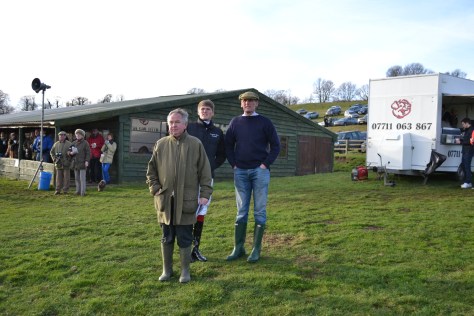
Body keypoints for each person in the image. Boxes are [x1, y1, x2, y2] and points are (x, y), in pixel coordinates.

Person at [146, 108, 212, 283]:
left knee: (184, 237)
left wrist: (205, 193)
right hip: (165, 200)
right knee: (166, 236)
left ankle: (185, 272)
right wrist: (155, 187)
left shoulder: (196, 144)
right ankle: (167, 271)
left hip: (187, 200)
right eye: (170, 123)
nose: (173, 126)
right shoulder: (160, 144)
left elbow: (205, 172)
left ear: (185, 124)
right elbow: (151, 170)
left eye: (176, 122)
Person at [225, 91, 280, 263]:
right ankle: (238, 248)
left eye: (251, 101)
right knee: (241, 211)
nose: (248, 103)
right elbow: (228, 146)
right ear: (241, 104)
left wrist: (265, 164)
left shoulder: (265, 122)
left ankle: (256, 249)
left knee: (259, 211)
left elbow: (276, 146)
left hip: (260, 171)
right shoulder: (235, 122)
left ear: (257, 104)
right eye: (245, 101)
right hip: (240, 171)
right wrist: (234, 164)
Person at [186, 99, 226, 262]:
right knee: (188, 211)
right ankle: (185, 250)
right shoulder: (189, 128)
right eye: (202, 109)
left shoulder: (218, 132)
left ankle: (196, 249)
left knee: (201, 211)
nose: (205, 111)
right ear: (198, 112)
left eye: (208, 109)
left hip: (207, 179)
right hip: (189, 178)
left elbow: (222, 154)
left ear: (213, 112)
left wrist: (210, 168)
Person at [69, 129, 91, 196]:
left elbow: (88, 153)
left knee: (82, 178)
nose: (77, 135)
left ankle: (83, 192)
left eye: (79, 134)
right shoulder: (73, 143)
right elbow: (68, 151)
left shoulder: (85, 143)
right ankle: (77, 191)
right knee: (77, 178)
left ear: (82, 135)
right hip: (75, 163)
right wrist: (71, 153)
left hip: (82, 163)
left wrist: (87, 161)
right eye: (76, 134)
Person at [456, 117, 474, 189]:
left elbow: (471, 142)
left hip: (468, 151)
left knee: (467, 166)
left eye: (463, 124)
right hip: (465, 151)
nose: (462, 126)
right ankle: (467, 182)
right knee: (464, 165)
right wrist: (461, 140)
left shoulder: (472, 130)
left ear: (467, 123)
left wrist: (461, 142)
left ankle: (468, 182)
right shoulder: (467, 130)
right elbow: (467, 139)